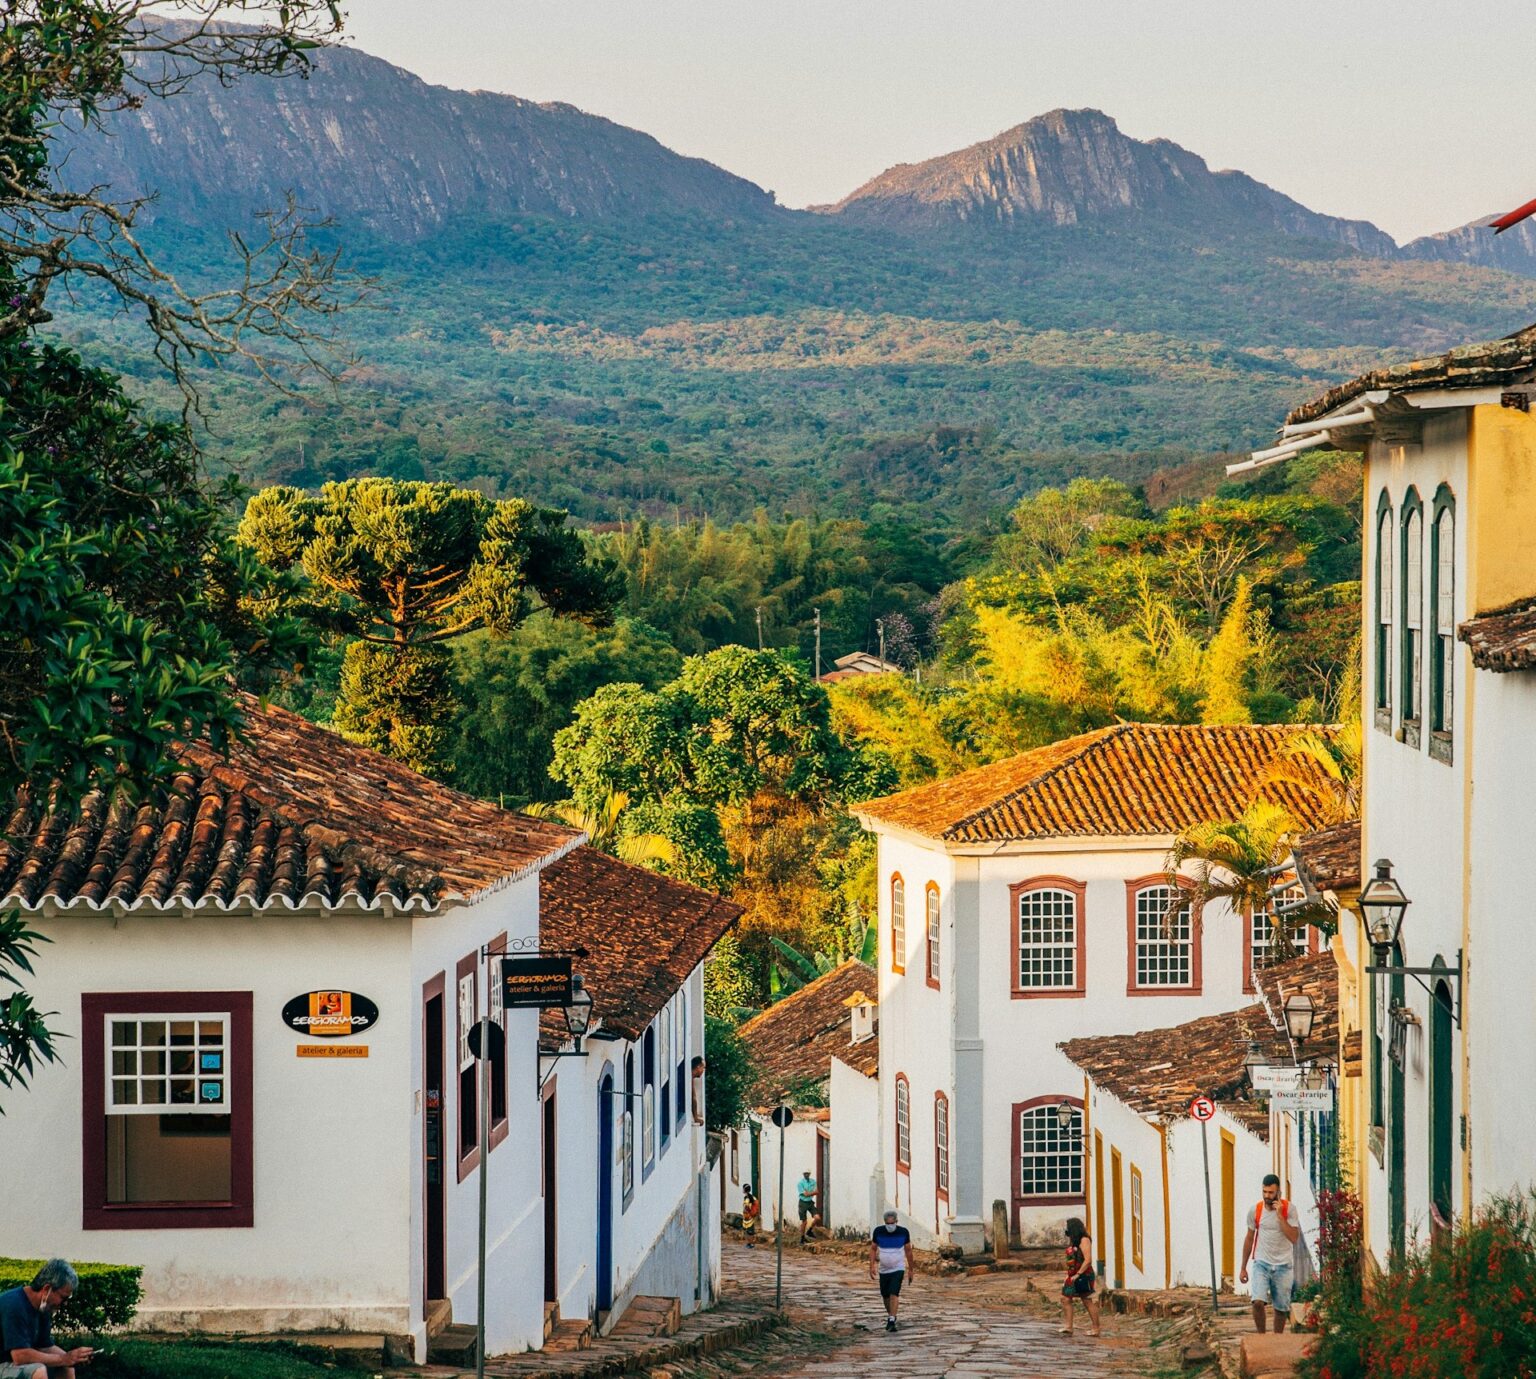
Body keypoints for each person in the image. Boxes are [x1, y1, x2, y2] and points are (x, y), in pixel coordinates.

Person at [0, 1259, 93, 1379]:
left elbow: (45, 1347)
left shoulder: (43, 1307)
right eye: (63, 1298)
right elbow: (20, 1356)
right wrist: (65, 1358)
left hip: (11, 1363)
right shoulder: (14, 1305)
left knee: (66, 1366)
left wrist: (73, 1358)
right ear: (46, 1289)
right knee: (37, 1370)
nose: (63, 1304)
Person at [1240, 1173, 1301, 1334]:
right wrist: (1243, 1267)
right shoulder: (1255, 1210)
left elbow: (1294, 1237)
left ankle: (1277, 1340)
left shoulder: (1290, 1210)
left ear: (1278, 1192)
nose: (1267, 1196)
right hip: (1262, 1262)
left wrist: (1281, 1217)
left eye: (1271, 1193)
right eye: (1265, 1192)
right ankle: (1262, 1336)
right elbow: (1249, 1238)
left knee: (1281, 1309)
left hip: (1284, 1266)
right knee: (1257, 1302)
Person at [869, 1209, 914, 1333]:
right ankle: (891, 1315)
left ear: (896, 1221)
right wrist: (871, 1265)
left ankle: (892, 1319)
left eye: (892, 1223)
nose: (890, 1226)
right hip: (883, 1269)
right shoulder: (878, 1232)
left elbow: (908, 1251)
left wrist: (911, 1269)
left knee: (894, 1292)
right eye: (888, 1224)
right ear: (884, 1223)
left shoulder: (903, 1232)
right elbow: (873, 1249)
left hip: (898, 1268)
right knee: (885, 1295)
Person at [1059, 1218, 1101, 1337]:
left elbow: (1087, 1260)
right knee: (1065, 1298)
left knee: (1087, 1300)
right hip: (1072, 1274)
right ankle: (1068, 1326)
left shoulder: (1084, 1240)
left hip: (1083, 1274)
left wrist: (1078, 1274)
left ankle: (1096, 1328)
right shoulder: (1075, 1241)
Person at [796, 1169, 821, 1243]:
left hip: (810, 1202)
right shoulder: (800, 1183)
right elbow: (805, 1194)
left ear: (809, 1174)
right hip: (802, 1203)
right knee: (804, 1222)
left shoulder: (813, 1181)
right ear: (803, 1174)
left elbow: (817, 1192)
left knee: (817, 1217)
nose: (806, 1175)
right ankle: (802, 1238)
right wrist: (812, 1193)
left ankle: (809, 1231)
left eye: (807, 1173)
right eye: (805, 1173)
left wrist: (809, 1193)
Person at [741, 1183, 760, 1248]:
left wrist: (747, 1210)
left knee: (749, 1231)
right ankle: (749, 1243)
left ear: (744, 1189)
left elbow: (747, 1206)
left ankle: (750, 1243)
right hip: (748, 1216)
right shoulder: (751, 1197)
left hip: (748, 1216)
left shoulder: (747, 1198)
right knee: (749, 1230)